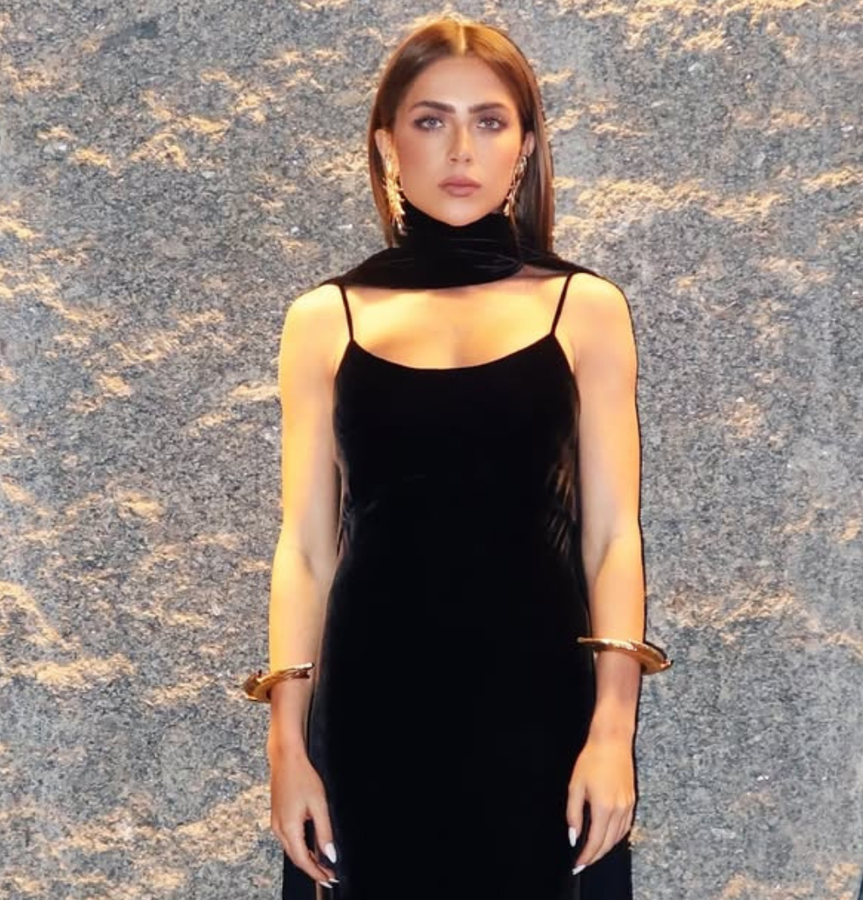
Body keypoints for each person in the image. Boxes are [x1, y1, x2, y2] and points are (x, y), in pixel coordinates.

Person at [242, 15, 670, 900]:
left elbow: (612, 539)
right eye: (432, 120)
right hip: (369, 715)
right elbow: (306, 549)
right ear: (387, 145)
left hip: (540, 712)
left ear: (525, 148)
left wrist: (611, 731)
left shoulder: (586, 310)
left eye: (490, 121)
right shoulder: (324, 319)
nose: (461, 149)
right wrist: (287, 748)